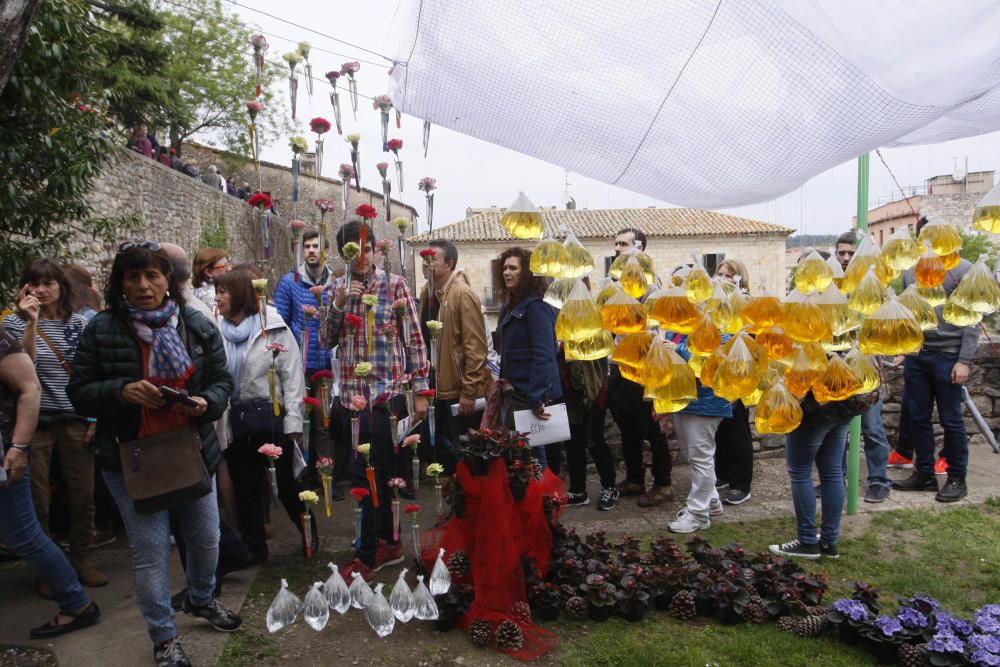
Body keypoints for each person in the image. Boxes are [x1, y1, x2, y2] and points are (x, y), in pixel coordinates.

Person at [67, 240, 241, 667]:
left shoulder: (195, 325)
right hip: (131, 460)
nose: (144, 285)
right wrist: (120, 391)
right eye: (133, 277)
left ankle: (201, 598)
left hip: (190, 449)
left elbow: (221, 381)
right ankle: (164, 637)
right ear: (120, 284)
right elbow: (80, 393)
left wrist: (206, 402)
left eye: (153, 276)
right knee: (149, 553)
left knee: (206, 539)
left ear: (169, 281)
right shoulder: (103, 329)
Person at [323, 220, 430, 578]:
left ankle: (368, 554)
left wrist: (421, 394)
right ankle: (388, 542)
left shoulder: (395, 285)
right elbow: (325, 340)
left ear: (376, 251)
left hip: (388, 396)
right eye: (353, 250)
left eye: (367, 249)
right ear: (344, 254)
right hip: (353, 399)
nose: (362, 256)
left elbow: (415, 342)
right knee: (371, 472)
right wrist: (339, 303)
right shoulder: (336, 288)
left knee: (372, 473)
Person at [2, 259, 107, 589]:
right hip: (37, 424)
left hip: (76, 419)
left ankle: (82, 558)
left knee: (82, 493)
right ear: (24, 288)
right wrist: (30, 323)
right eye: (35, 283)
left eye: (49, 283)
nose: (42, 290)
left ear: (62, 287)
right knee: (38, 498)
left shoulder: (79, 324)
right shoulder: (14, 326)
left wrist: (94, 417)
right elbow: (26, 370)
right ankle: (49, 569)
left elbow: (92, 372)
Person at [0, 328, 101, 640]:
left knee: (24, 535)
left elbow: (30, 389)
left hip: (5, 457)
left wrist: (18, 448)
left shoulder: (2, 340)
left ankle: (76, 602)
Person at [216, 268, 309, 561]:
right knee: (245, 488)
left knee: (285, 486)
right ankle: (256, 548)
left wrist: (294, 421)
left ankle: (308, 535)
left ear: (241, 295)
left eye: (223, 292)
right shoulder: (218, 329)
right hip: (236, 423)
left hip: (271, 421)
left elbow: (292, 376)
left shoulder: (274, 326)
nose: (217, 298)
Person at [892, 218, 977, 502]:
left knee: (951, 419)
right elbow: (908, 315)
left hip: (949, 357)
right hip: (918, 356)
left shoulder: (963, 271)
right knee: (918, 417)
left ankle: (956, 477)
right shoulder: (910, 273)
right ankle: (924, 474)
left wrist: (964, 360)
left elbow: (973, 317)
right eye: (924, 237)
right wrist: (905, 349)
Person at [608, 227, 673, 507]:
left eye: (623, 244)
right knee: (626, 424)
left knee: (651, 427)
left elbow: (656, 328)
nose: (617, 249)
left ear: (640, 249)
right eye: (616, 244)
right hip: (620, 363)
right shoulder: (616, 284)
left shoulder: (650, 287)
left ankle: (663, 483)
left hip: (644, 366)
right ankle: (635, 478)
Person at [417, 240, 494, 474]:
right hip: (433, 388)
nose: (426, 264)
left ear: (449, 264)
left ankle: (470, 498)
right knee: (433, 447)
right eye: (424, 259)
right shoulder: (425, 293)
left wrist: (469, 391)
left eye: (433, 259)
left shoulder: (463, 294)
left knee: (467, 452)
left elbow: (476, 347)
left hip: (458, 391)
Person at [830, 231, 894, 503]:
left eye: (850, 253)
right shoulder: (829, 284)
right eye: (841, 253)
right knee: (837, 429)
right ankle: (836, 480)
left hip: (866, 365)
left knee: (871, 426)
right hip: (837, 366)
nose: (845, 258)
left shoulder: (872, 285)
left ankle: (879, 481)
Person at [273, 230, 335, 484]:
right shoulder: (290, 282)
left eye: (316, 246)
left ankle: (325, 477)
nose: (310, 250)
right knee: (297, 421)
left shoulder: (336, 284)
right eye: (307, 246)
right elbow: (280, 322)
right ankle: (298, 477)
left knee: (324, 423)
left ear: (326, 252)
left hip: (327, 367)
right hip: (298, 367)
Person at [492, 247, 561, 469]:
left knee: (534, 462)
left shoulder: (536, 307)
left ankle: (541, 502)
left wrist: (536, 397)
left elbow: (544, 354)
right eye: (504, 268)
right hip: (513, 396)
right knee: (518, 461)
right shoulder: (507, 308)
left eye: (513, 268)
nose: (507, 272)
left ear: (527, 273)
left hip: (530, 399)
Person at [667, 325, 733, 533]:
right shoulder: (677, 325)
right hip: (682, 398)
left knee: (701, 456)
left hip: (707, 403)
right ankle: (711, 501)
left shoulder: (720, 327)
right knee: (691, 454)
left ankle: (698, 515)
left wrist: (676, 350)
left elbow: (713, 362)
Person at [557, 340, 619, 510]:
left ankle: (610, 487)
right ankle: (578, 491)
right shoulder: (564, 335)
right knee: (573, 444)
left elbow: (598, 368)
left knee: (595, 442)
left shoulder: (594, 334)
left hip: (593, 396)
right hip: (570, 398)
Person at [712, 259, 754, 505]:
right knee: (722, 428)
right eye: (719, 274)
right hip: (720, 373)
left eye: (729, 275)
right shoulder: (718, 303)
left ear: (740, 278)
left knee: (738, 429)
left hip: (740, 373)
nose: (723, 279)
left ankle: (742, 484)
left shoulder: (745, 302)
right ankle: (725, 474)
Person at [191, 247, 229, 313]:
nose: (229, 269)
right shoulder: (210, 297)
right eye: (224, 266)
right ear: (208, 272)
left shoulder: (201, 291)